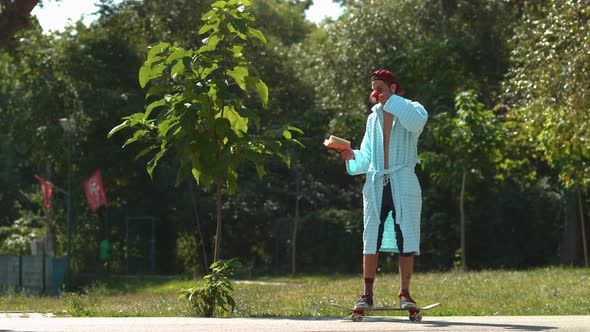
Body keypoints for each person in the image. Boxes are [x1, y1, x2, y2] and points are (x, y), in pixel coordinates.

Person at [339, 69, 428, 310]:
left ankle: (405, 293)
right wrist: (351, 156)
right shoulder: (372, 119)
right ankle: (367, 294)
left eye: (380, 87)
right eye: (373, 88)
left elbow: (417, 122)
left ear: (393, 87)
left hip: (404, 182)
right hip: (377, 183)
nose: (375, 92)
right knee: (371, 237)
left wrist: (392, 101)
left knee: (406, 235)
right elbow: (367, 155)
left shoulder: (412, 109)